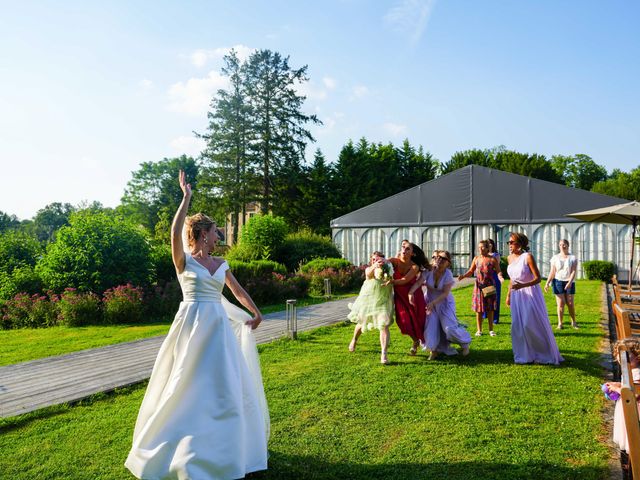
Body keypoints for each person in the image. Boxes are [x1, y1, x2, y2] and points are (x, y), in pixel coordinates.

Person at [125, 170, 269, 480]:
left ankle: (223, 448)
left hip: (217, 328)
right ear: (204, 234)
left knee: (221, 385)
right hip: (191, 325)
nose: (220, 237)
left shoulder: (221, 264)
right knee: (184, 383)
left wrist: (256, 313)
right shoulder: (184, 261)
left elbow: (237, 292)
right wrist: (185, 198)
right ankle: (178, 443)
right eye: (217, 232)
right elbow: (174, 231)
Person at [506, 232, 563, 365]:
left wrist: (523, 285)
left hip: (530, 294)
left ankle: (543, 353)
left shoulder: (528, 257)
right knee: (517, 326)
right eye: (508, 242)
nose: (509, 245)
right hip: (516, 295)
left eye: (511, 242)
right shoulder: (509, 258)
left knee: (529, 324)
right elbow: (511, 280)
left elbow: (538, 278)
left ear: (519, 244)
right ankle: (524, 356)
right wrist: (508, 295)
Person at [411, 250, 471, 360]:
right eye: (438, 257)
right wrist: (411, 292)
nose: (439, 260)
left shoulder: (448, 274)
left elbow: (445, 293)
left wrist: (433, 303)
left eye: (443, 258)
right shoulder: (429, 270)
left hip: (444, 303)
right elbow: (419, 283)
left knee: (449, 328)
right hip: (429, 301)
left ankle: (465, 344)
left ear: (448, 262)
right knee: (430, 326)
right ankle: (433, 351)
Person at [347, 251, 394, 364]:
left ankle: (384, 353)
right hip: (369, 300)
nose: (375, 261)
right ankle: (354, 339)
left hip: (383, 301)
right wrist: (375, 265)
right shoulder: (369, 269)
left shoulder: (388, 267)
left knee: (384, 325)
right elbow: (368, 275)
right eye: (373, 259)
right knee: (361, 323)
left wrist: (386, 264)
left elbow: (392, 277)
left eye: (378, 259)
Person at [388, 240, 428, 355]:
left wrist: (391, 282)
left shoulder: (414, 267)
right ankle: (415, 340)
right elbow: (384, 263)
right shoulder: (394, 261)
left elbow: (404, 280)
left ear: (413, 254)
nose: (404, 250)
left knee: (418, 320)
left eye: (407, 249)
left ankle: (429, 343)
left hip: (414, 295)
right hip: (400, 296)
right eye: (403, 247)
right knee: (404, 321)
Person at [604, 338, 640, 456]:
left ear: (637, 356)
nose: (620, 357)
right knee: (628, 434)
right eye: (618, 354)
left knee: (634, 436)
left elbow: (634, 393)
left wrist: (617, 390)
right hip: (626, 409)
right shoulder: (629, 370)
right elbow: (627, 385)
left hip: (635, 411)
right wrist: (618, 385)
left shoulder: (637, 373)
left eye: (625, 354)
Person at [458, 240, 500, 337]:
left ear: (488, 248)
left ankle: (491, 330)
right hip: (478, 286)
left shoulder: (492, 259)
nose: (480, 249)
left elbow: (498, 271)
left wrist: (501, 277)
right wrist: (463, 276)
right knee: (479, 309)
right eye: (479, 247)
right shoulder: (476, 259)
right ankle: (479, 330)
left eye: (482, 247)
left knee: (490, 309)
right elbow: (471, 271)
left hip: (489, 286)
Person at [544, 239, 578, 329]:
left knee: (570, 303)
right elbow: (552, 271)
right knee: (561, 303)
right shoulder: (555, 258)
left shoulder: (573, 258)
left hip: (570, 281)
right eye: (560, 245)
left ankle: (573, 322)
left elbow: (573, 271)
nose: (562, 246)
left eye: (564, 244)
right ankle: (560, 323)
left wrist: (570, 282)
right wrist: (547, 283)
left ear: (568, 245)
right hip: (557, 281)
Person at [484, 239, 503, 324]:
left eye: (490, 244)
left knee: (495, 298)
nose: (489, 245)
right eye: (487, 244)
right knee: (485, 296)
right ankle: (485, 315)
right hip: (485, 277)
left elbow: (496, 267)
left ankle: (495, 318)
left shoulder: (496, 255)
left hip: (494, 277)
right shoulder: (483, 255)